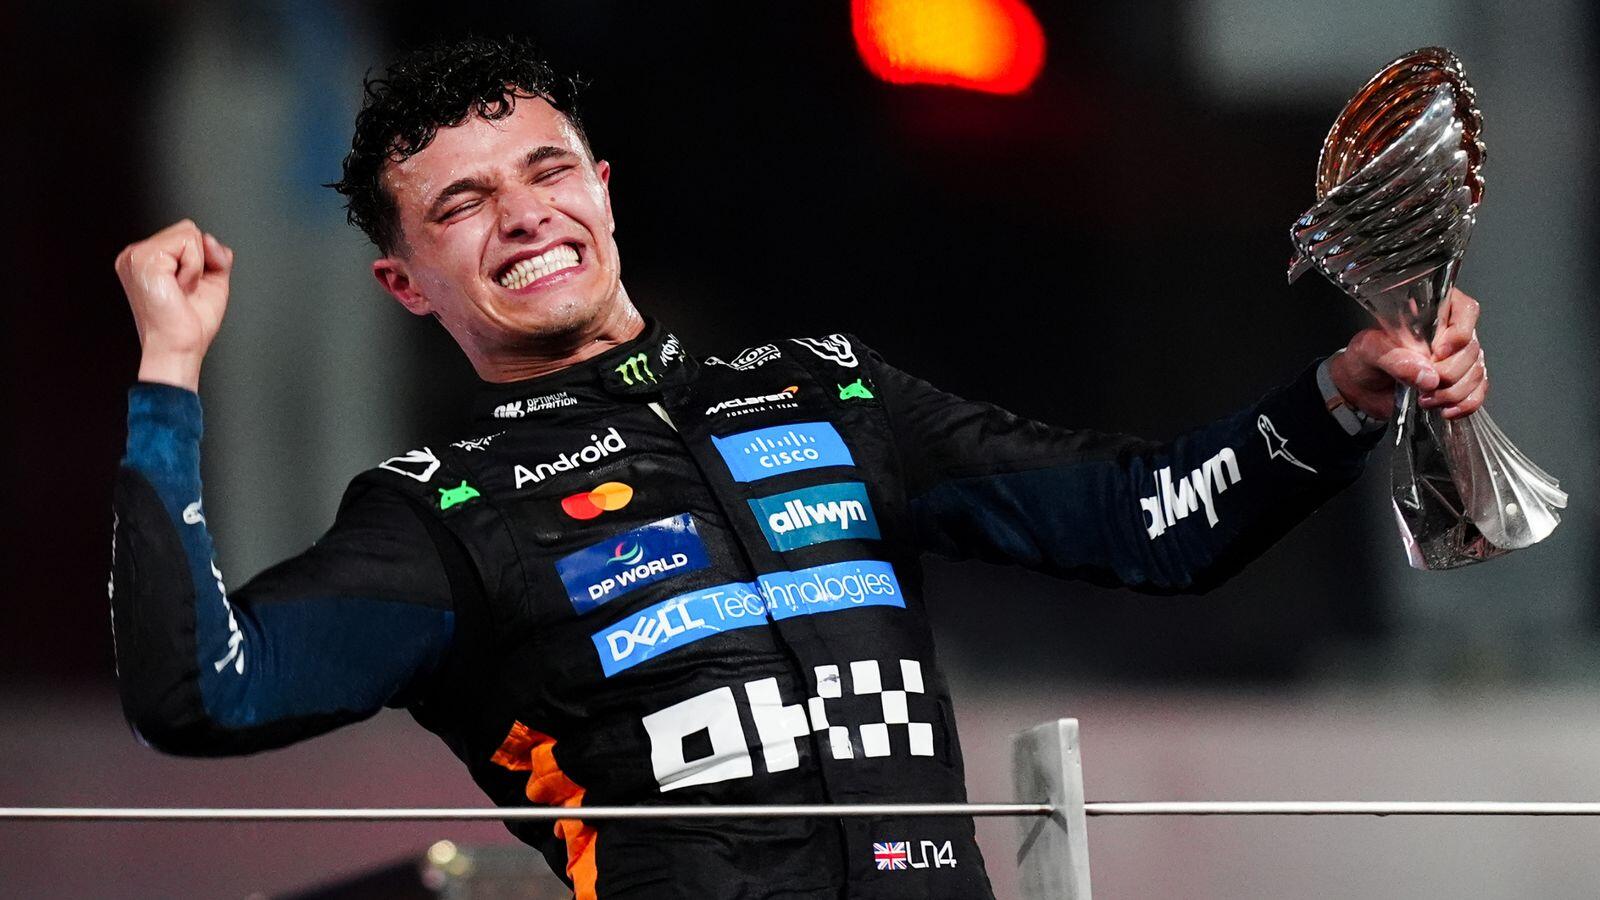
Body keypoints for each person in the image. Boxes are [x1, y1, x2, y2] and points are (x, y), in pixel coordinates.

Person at [108, 35, 1488, 900]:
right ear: (404, 282)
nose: (524, 216)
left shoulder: (830, 389)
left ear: (604, 189)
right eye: (463, 205)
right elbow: (200, 691)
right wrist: (169, 369)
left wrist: (1345, 394)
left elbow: (1153, 524)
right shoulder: (435, 513)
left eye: (547, 171)